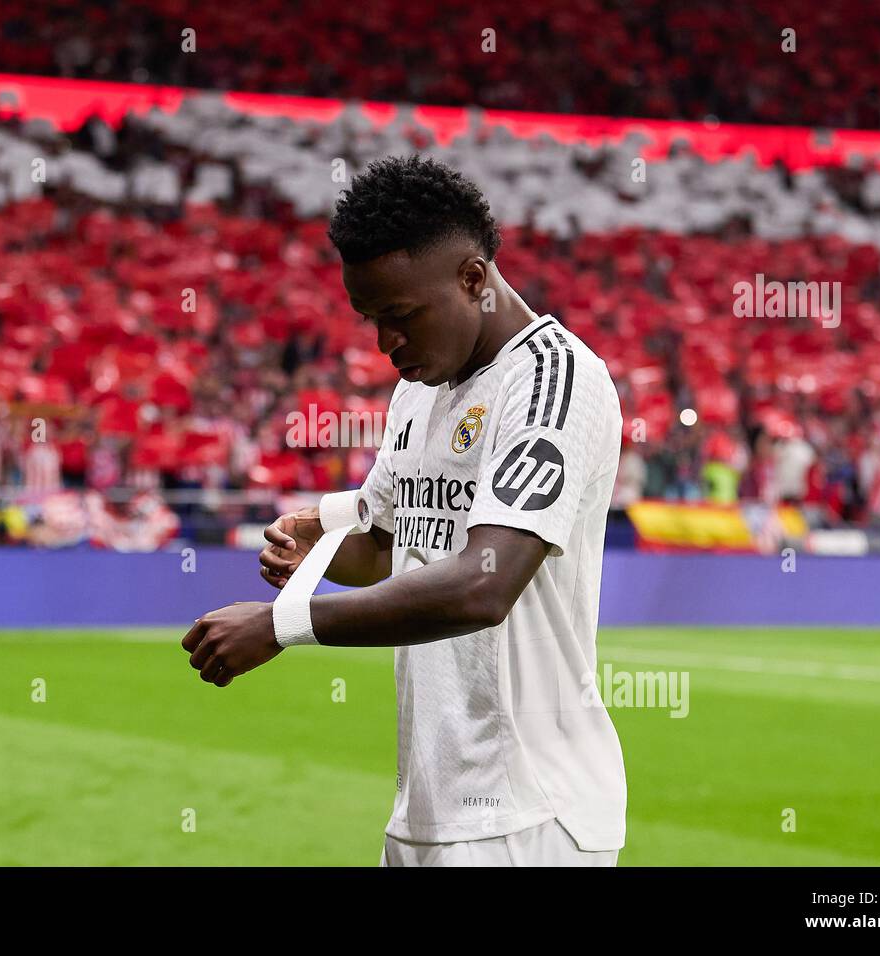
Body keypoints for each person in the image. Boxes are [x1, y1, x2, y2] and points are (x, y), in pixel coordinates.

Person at [182, 156, 626, 867]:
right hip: (429, 809)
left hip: (527, 818)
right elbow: (393, 544)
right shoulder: (422, 385)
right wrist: (319, 547)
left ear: (473, 279)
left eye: (400, 317)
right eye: (371, 320)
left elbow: (483, 583)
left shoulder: (553, 380)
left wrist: (282, 625)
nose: (386, 345)